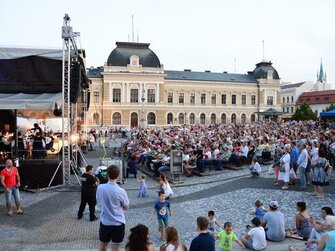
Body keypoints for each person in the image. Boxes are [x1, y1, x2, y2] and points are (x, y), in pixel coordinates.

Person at [96, 165, 129, 251]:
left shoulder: (100, 188)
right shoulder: (121, 191)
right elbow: (126, 207)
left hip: (105, 222)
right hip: (118, 223)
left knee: (103, 245)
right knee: (116, 247)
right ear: (118, 176)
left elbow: (99, 200)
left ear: (107, 175)